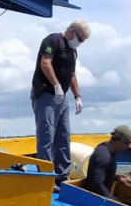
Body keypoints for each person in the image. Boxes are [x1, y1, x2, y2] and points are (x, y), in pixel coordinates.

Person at [31, 20, 90, 186]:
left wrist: (77, 96)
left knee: (63, 136)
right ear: (71, 31)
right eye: (80, 39)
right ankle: (45, 177)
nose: (80, 43)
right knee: (46, 135)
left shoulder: (73, 52)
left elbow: (72, 75)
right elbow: (45, 62)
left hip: (62, 97)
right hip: (46, 94)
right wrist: (56, 85)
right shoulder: (53, 40)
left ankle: (62, 177)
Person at [82, 125, 131, 197]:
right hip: (94, 199)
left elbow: (104, 173)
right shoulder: (104, 155)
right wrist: (113, 201)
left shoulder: (109, 150)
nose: (127, 148)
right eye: (127, 145)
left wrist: (119, 178)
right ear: (120, 141)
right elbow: (97, 183)